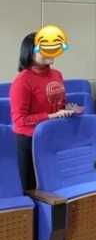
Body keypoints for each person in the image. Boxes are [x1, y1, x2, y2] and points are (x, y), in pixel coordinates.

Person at [10, 33, 76, 190]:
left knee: (54, 187)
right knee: (32, 190)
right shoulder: (22, 80)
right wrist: (52, 116)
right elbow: (20, 119)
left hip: (53, 136)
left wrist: (67, 108)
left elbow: (59, 104)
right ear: (30, 52)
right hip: (30, 141)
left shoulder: (57, 74)